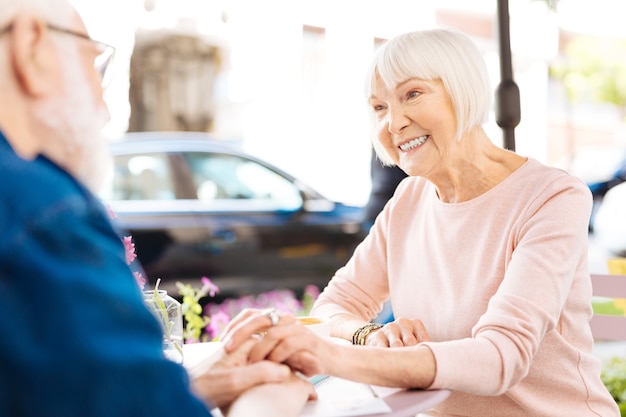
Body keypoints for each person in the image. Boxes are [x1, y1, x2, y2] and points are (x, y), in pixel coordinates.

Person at [222, 28, 620, 416]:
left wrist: (333, 356)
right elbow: (336, 304)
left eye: (412, 94)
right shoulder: (409, 199)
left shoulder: (552, 197)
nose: (393, 123)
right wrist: (369, 335)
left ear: (463, 90)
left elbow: (502, 356)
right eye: (379, 107)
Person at [0, 1, 314, 416]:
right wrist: (273, 395)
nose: (105, 109)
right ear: (32, 47)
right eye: (95, 68)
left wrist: (182, 390)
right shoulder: (44, 211)